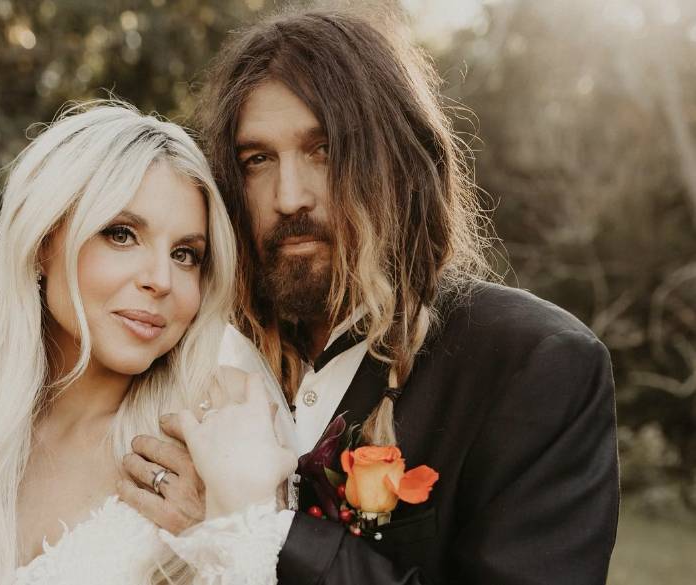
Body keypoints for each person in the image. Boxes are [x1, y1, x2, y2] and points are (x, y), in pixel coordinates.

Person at [123, 9, 620, 585]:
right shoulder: (189, 346)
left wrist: (258, 530)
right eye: (257, 160)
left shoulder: (536, 364)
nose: (289, 198)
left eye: (325, 150)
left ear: (401, 159)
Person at [0, 101, 296, 585]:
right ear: (44, 243)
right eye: (122, 234)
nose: (161, 280)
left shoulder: (205, 459)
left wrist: (230, 517)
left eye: (185, 254)